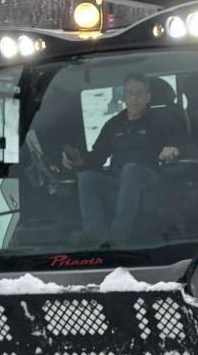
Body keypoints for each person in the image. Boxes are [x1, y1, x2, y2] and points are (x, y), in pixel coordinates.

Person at [61, 73, 186, 243]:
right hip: (119, 178)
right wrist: (78, 161)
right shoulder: (113, 124)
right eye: (130, 93)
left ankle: (119, 237)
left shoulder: (162, 120)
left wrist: (171, 150)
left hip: (151, 175)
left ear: (148, 97)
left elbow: (180, 144)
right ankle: (96, 236)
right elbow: (97, 157)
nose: (134, 98)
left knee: (130, 170)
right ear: (124, 96)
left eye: (140, 93)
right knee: (87, 178)